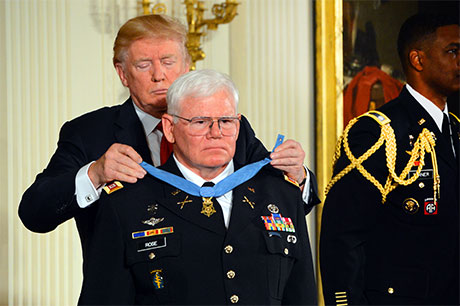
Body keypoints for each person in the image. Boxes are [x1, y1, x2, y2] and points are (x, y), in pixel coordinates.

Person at [18, 14, 319, 267]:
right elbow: (34, 213)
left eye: (168, 61)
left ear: (187, 65)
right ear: (123, 74)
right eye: (144, 65)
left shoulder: (225, 128)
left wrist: (300, 177)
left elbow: (275, 204)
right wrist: (95, 173)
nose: (159, 75)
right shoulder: (89, 132)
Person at [77, 69, 317, 305]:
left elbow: (302, 294)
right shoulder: (128, 202)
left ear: (238, 124)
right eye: (200, 122)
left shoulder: (281, 193)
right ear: (170, 128)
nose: (216, 133)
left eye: (225, 121)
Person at [320, 13, 460, 305]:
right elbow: (343, 238)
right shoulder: (378, 132)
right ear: (418, 60)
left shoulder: (455, 130)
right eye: (453, 51)